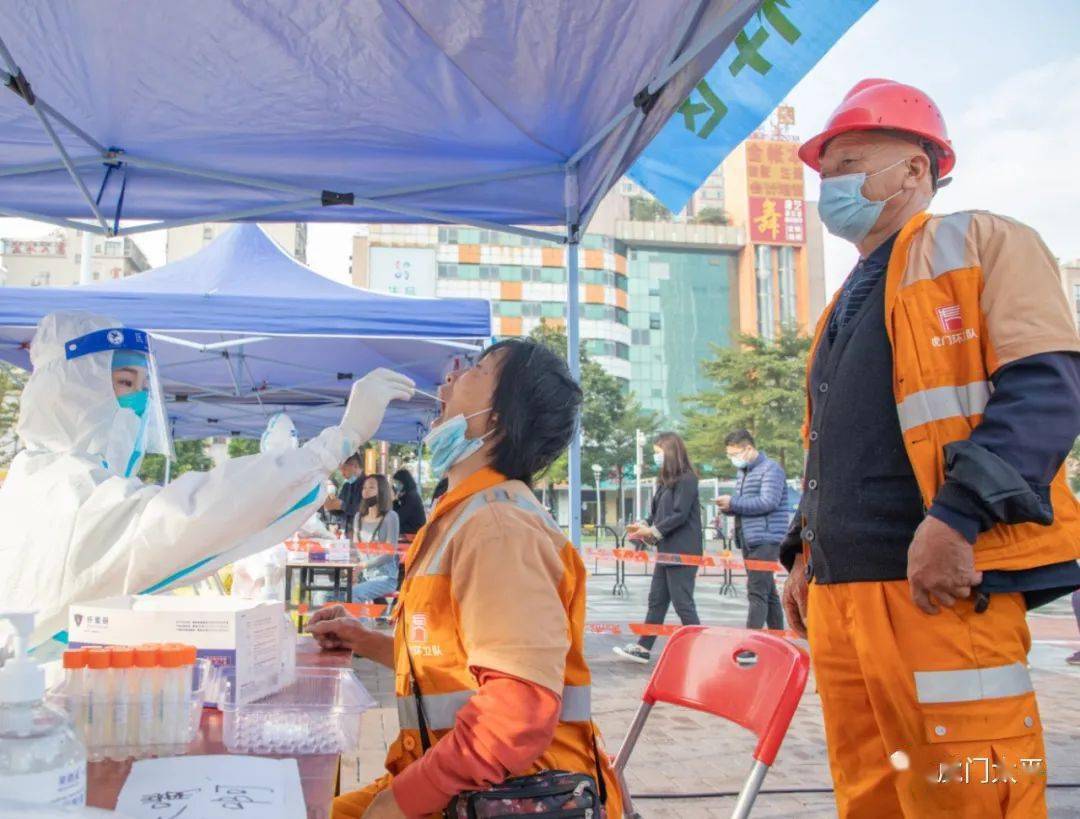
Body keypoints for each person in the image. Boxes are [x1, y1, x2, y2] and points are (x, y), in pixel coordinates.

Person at [784, 79, 1080, 817]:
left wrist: (958, 517)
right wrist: (802, 549)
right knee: (871, 795)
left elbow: (1048, 389)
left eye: (851, 161)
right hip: (845, 600)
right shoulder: (847, 299)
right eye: (827, 172)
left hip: (942, 592)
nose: (834, 185)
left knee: (972, 793)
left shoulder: (982, 242)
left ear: (917, 169)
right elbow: (841, 442)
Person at [306, 337, 623, 819]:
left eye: (477, 369)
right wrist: (363, 638)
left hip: (520, 797)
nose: (450, 377)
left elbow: (516, 712)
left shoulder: (498, 527)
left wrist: (400, 801)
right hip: (468, 784)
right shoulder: (463, 516)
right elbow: (453, 664)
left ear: (498, 417)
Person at [0, 311, 414, 647]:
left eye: (144, 386)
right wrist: (335, 443)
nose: (139, 400)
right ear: (68, 391)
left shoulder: (52, 478)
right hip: (43, 716)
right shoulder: (63, 490)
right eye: (125, 382)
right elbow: (188, 514)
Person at [614, 432, 702, 664]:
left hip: (683, 552)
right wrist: (642, 526)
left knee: (682, 602)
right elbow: (655, 515)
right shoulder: (664, 482)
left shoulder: (687, 479)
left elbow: (679, 515)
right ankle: (643, 647)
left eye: (657, 453)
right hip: (666, 551)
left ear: (670, 452)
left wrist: (651, 532)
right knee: (657, 600)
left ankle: (702, 647)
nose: (655, 457)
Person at [717, 429, 788, 631]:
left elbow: (768, 502)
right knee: (769, 593)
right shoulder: (745, 472)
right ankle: (778, 640)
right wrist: (729, 507)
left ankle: (749, 645)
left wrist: (734, 503)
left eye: (734, 454)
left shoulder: (771, 469)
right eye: (729, 455)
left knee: (756, 592)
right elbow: (744, 505)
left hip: (766, 539)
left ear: (748, 448)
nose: (732, 459)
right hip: (749, 538)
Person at [351, 474, 401, 602]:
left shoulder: (391, 517)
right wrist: (354, 570)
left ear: (382, 492)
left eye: (371, 487)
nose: (366, 491)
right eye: (364, 487)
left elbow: (389, 554)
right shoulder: (358, 517)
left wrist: (363, 566)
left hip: (384, 578)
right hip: (363, 576)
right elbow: (357, 550)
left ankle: (362, 622)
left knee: (353, 594)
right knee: (329, 594)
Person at [325, 452, 364, 538]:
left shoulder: (368, 484)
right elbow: (340, 510)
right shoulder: (347, 485)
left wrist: (342, 505)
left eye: (344, 469)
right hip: (347, 533)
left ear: (355, 466)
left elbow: (364, 511)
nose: (342, 473)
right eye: (340, 470)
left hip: (363, 534)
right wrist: (331, 507)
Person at [391, 468, 426, 536]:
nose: (396, 485)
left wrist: (394, 500)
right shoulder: (407, 495)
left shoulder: (411, 497)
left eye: (398, 482)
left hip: (414, 531)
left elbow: (399, 518)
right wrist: (396, 500)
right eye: (395, 482)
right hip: (409, 528)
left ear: (405, 482)